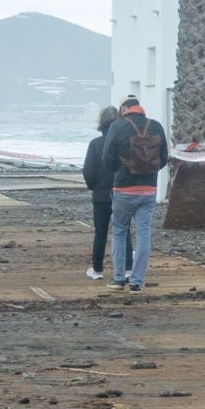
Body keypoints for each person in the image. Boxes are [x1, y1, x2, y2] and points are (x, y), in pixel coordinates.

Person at [101, 96, 169, 292]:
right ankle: (137, 281)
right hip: (149, 190)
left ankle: (118, 278)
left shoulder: (117, 126)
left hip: (124, 188)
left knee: (120, 231)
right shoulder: (156, 126)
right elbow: (163, 157)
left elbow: (107, 158)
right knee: (143, 234)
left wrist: (121, 171)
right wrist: (150, 173)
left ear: (124, 109)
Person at [82, 105, 131, 282]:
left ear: (101, 124)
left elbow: (88, 170)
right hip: (122, 193)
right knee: (123, 231)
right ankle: (127, 269)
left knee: (100, 232)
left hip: (101, 195)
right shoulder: (124, 143)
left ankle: (97, 269)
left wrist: (94, 186)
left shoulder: (95, 144)